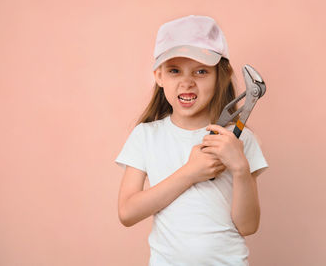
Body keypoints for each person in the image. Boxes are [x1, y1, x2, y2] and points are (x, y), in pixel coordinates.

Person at [115, 14, 269, 266]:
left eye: (200, 71)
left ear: (221, 74)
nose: (187, 82)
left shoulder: (240, 139)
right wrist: (190, 173)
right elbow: (127, 212)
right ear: (159, 76)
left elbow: (248, 226)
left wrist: (240, 168)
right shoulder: (146, 136)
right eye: (174, 70)